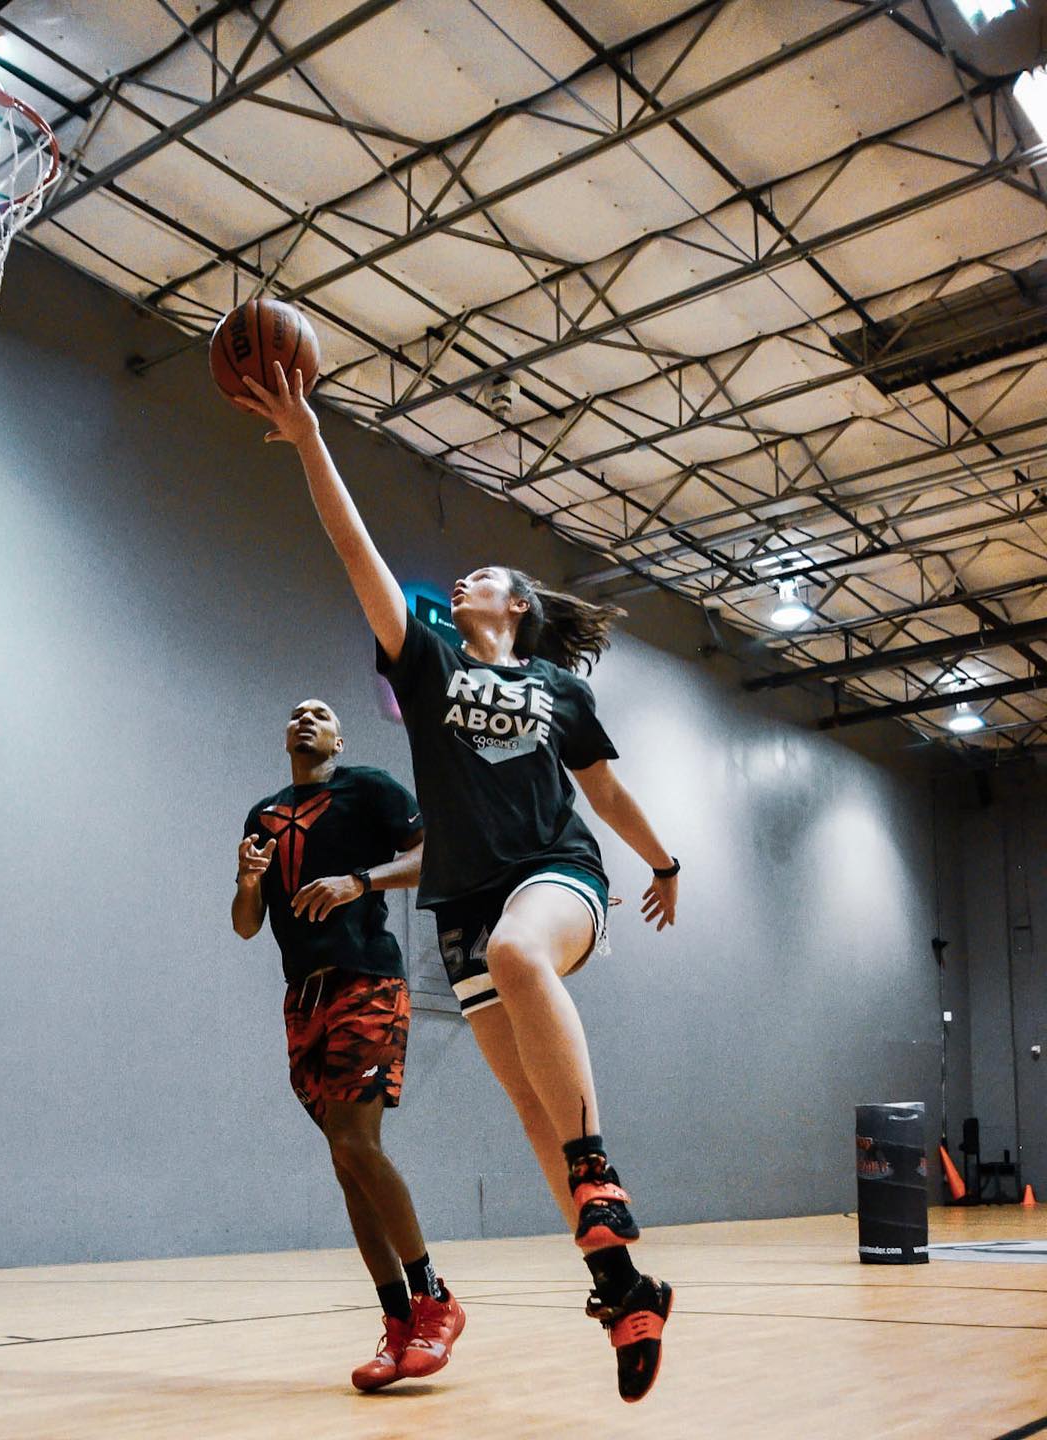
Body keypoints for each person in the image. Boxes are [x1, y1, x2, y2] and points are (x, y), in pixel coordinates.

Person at [233, 364, 681, 1405]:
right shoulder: (426, 660)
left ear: (517, 606)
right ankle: (622, 1284)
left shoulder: (553, 685)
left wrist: (661, 862)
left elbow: (604, 795)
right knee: (529, 1107)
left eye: (484, 571)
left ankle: (601, 1172)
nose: (464, 578)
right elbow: (357, 551)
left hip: (556, 876)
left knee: (529, 960)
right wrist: (307, 437)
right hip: (462, 911)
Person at [233, 696, 466, 1391]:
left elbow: (434, 856)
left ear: (339, 736)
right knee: (345, 1161)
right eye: (295, 713)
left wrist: (359, 881)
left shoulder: (369, 788)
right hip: (302, 998)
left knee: (359, 1144)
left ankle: (436, 1299)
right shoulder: (263, 816)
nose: (305, 718)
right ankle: (398, 1327)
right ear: (286, 737)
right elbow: (248, 924)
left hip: (367, 980)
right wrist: (249, 882)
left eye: (320, 712)